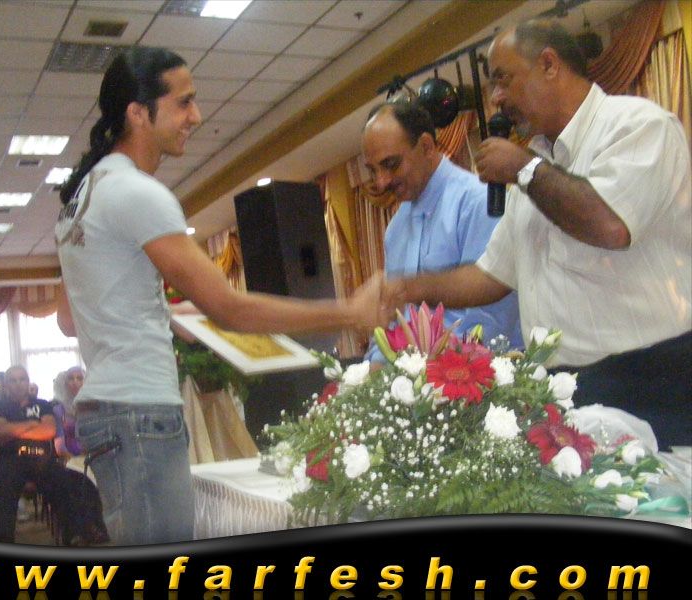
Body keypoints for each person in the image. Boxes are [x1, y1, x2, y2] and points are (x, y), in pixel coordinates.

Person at [55, 46, 389, 546]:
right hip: (140, 413)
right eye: (184, 103)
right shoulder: (136, 192)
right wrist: (347, 312)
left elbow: (69, 317)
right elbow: (229, 307)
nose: (196, 116)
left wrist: (163, 313)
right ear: (138, 113)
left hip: (110, 413)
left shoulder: (81, 198)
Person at [384, 19, 691, 449]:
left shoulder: (637, 126)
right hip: (566, 387)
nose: (496, 98)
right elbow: (491, 275)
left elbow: (610, 223)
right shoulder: (536, 165)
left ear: (549, 64)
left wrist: (524, 169)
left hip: (653, 381)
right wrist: (405, 289)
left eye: (502, 80)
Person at [361, 100, 522, 365]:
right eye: (373, 170)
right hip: (413, 382)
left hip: (480, 378)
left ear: (426, 146)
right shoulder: (395, 230)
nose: (381, 181)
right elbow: (392, 322)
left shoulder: (478, 202)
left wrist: (424, 372)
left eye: (391, 164)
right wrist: (374, 368)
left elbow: (489, 319)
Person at [0, 365, 106, 545]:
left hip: (42, 459)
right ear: (6, 384)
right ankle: (3, 539)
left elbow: (49, 430)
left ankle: (74, 536)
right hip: (11, 459)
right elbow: (1, 431)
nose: (18, 384)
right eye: (13, 380)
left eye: (22, 379)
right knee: (3, 486)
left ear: (28, 382)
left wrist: (15, 429)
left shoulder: (43, 404)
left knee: (63, 481)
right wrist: (33, 424)